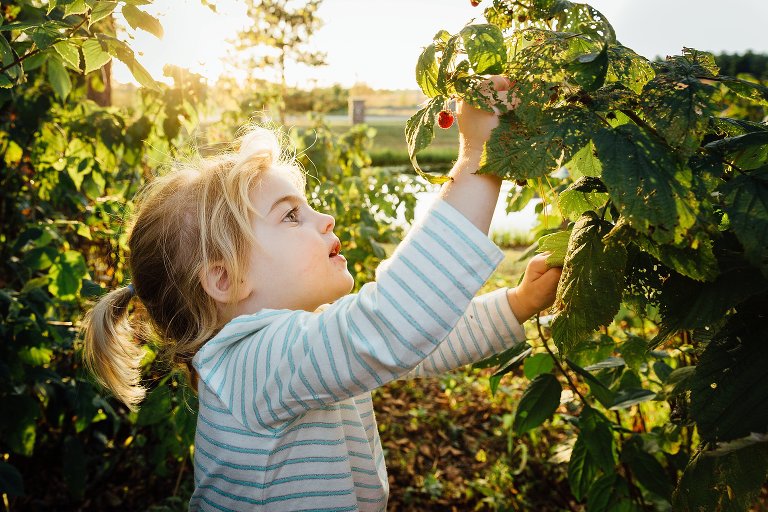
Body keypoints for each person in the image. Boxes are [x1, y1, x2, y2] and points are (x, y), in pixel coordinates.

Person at [82, 76, 562, 511]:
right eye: (291, 215)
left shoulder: (295, 348)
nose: (324, 219)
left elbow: (419, 345)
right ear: (225, 279)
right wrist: (478, 158)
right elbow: (394, 325)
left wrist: (517, 303)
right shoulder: (248, 363)